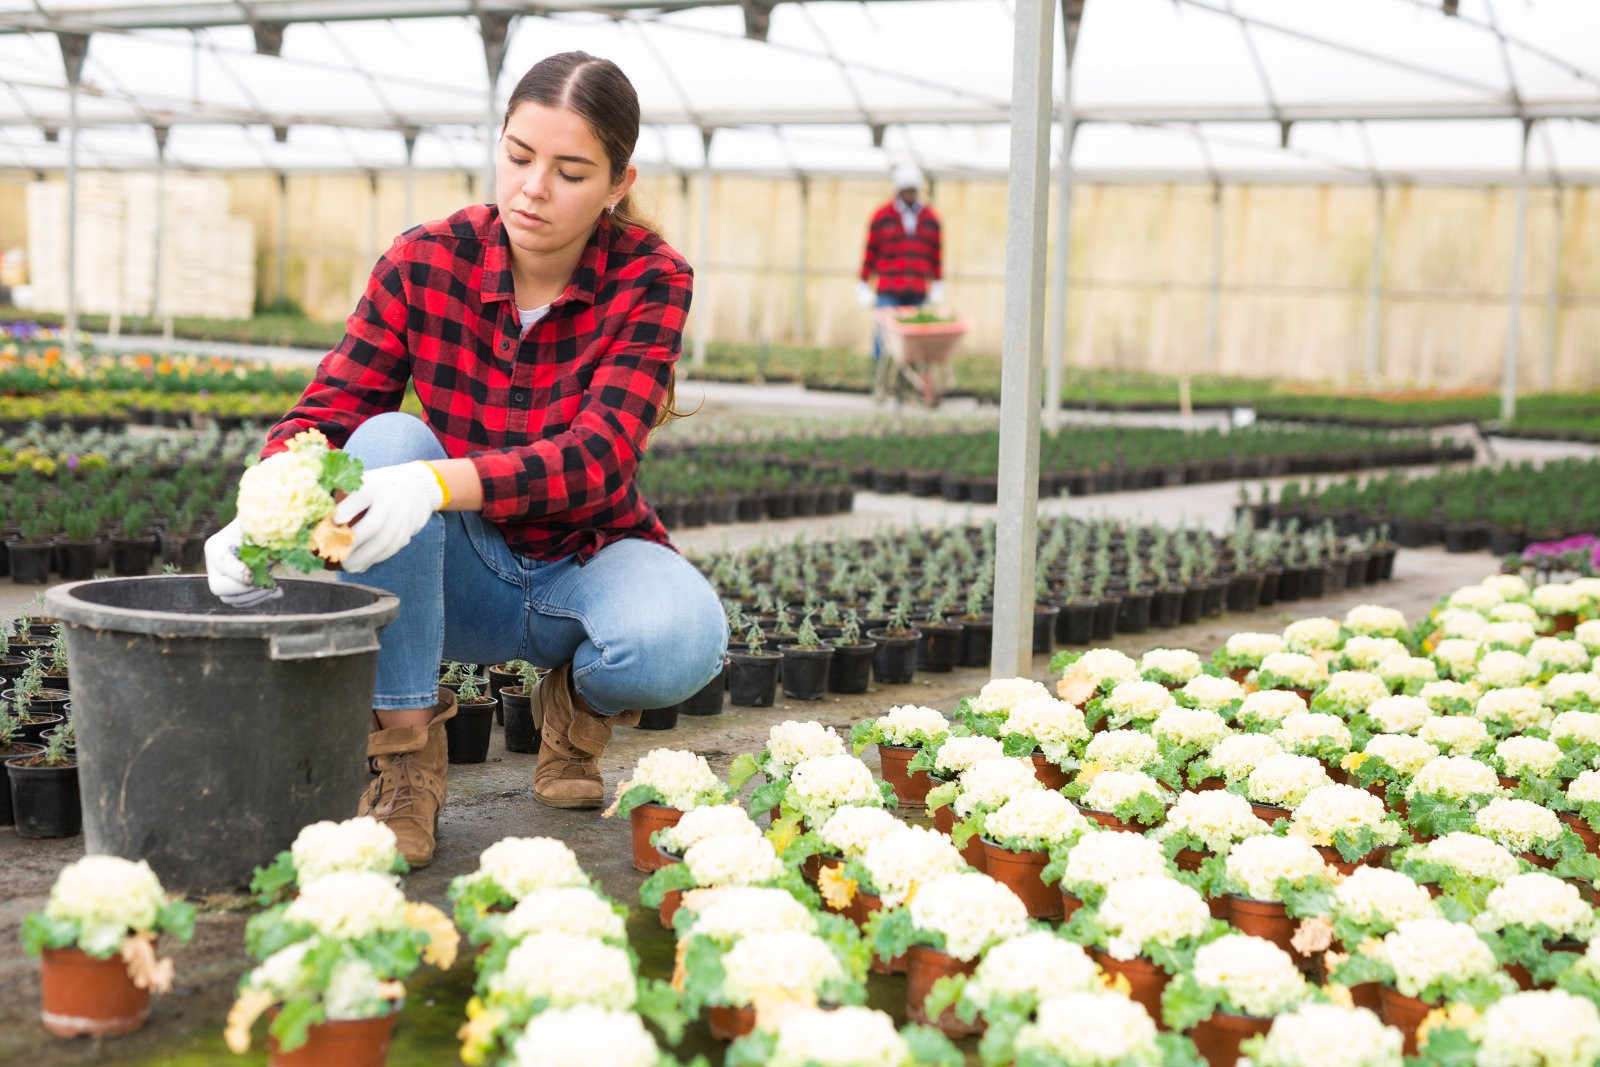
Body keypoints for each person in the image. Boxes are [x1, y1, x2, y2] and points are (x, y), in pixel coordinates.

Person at [203, 52, 728, 869]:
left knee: (683, 641)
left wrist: (435, 481)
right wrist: (262, 505)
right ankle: (406, 761)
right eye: (518, 156)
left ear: (619, 184)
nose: (532, 188)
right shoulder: (426, 261)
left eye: (570, 171)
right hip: (455, 571)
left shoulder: (650, 279)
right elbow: (326, 413)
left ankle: (575, 706)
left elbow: (597, 455)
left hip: (581, 560)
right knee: (384, 440)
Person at [855, 163, 945, 397]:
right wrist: (863, 283)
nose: (909, 195)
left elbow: (936, 254)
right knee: (884, 339)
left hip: (917, 289)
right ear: (898, 190)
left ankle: (908, 385)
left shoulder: (929, 219)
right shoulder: (882, 217)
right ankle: (880, 383)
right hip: (889, 288)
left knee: (915, 342)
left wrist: (937, 283)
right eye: (905, 190)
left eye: (912, 190)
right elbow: (870, 253)